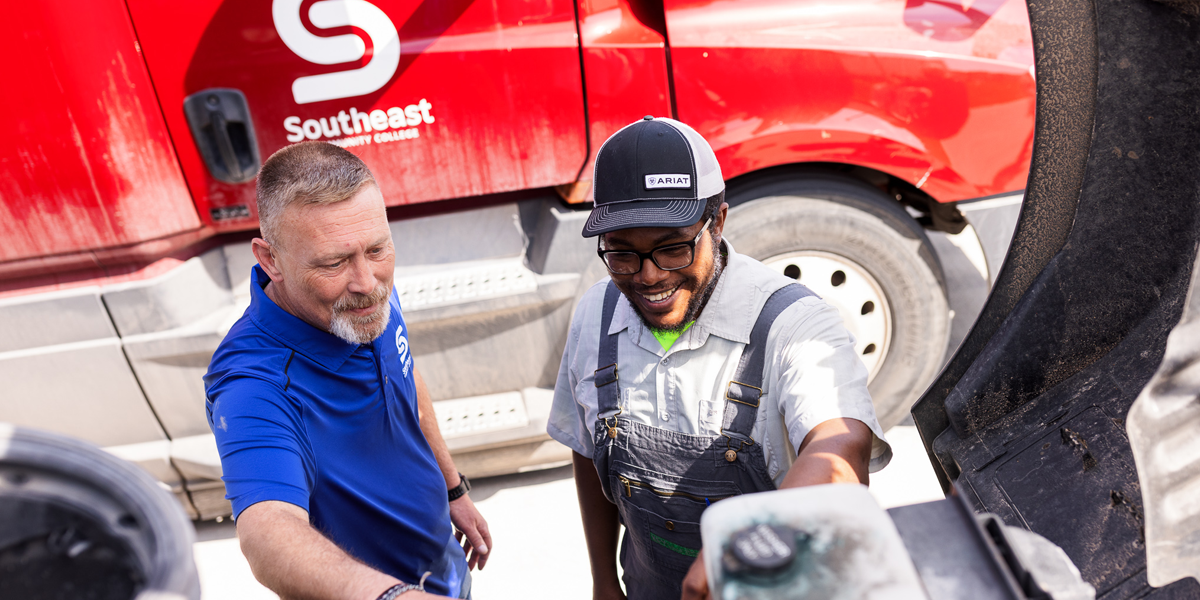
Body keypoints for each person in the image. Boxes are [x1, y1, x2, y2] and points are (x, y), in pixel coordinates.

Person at [547, 117, 894, 600]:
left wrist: (748, 541)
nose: (648, 277)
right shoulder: (596, 314)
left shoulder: (793, 324)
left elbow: (841, 449)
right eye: (623, 254)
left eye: (672, 249)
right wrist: (604, 579)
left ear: (719, 221)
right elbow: (587, 447)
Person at [204, 142, 490, 600]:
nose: (366, 284)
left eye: (377, 250)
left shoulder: (363, 299)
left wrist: (454, 490)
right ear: (270, 259)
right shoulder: (252, 384)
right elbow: (268, 532)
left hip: (442, 568)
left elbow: (405, 378)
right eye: (333, 263)